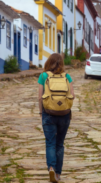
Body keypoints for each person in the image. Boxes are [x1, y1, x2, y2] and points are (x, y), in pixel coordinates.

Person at [38, 53, 75, 183]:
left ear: (49, 62)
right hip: (64, 114)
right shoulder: (67, 76)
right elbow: (73, 95)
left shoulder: (43, 76)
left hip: (48, 113)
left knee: (50, 143)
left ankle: (51, 168)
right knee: (60, 143)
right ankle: (58, 174)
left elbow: (40, 96)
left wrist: (41, 112)